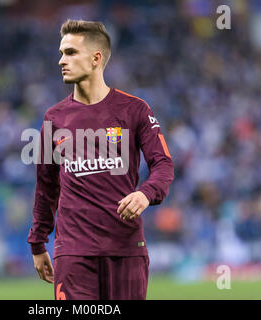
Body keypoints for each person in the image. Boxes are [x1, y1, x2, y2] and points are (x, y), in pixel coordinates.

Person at [27, 19, 174, 300]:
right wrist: (37, 243)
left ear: (96, 58)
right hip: (73, 253)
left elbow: (163, 164)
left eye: (70, 53)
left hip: (126, 249)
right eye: (61, 53)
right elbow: (46, 188)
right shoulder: (54, 118)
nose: (61, 60)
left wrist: (145, 194)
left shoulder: (135, 110)